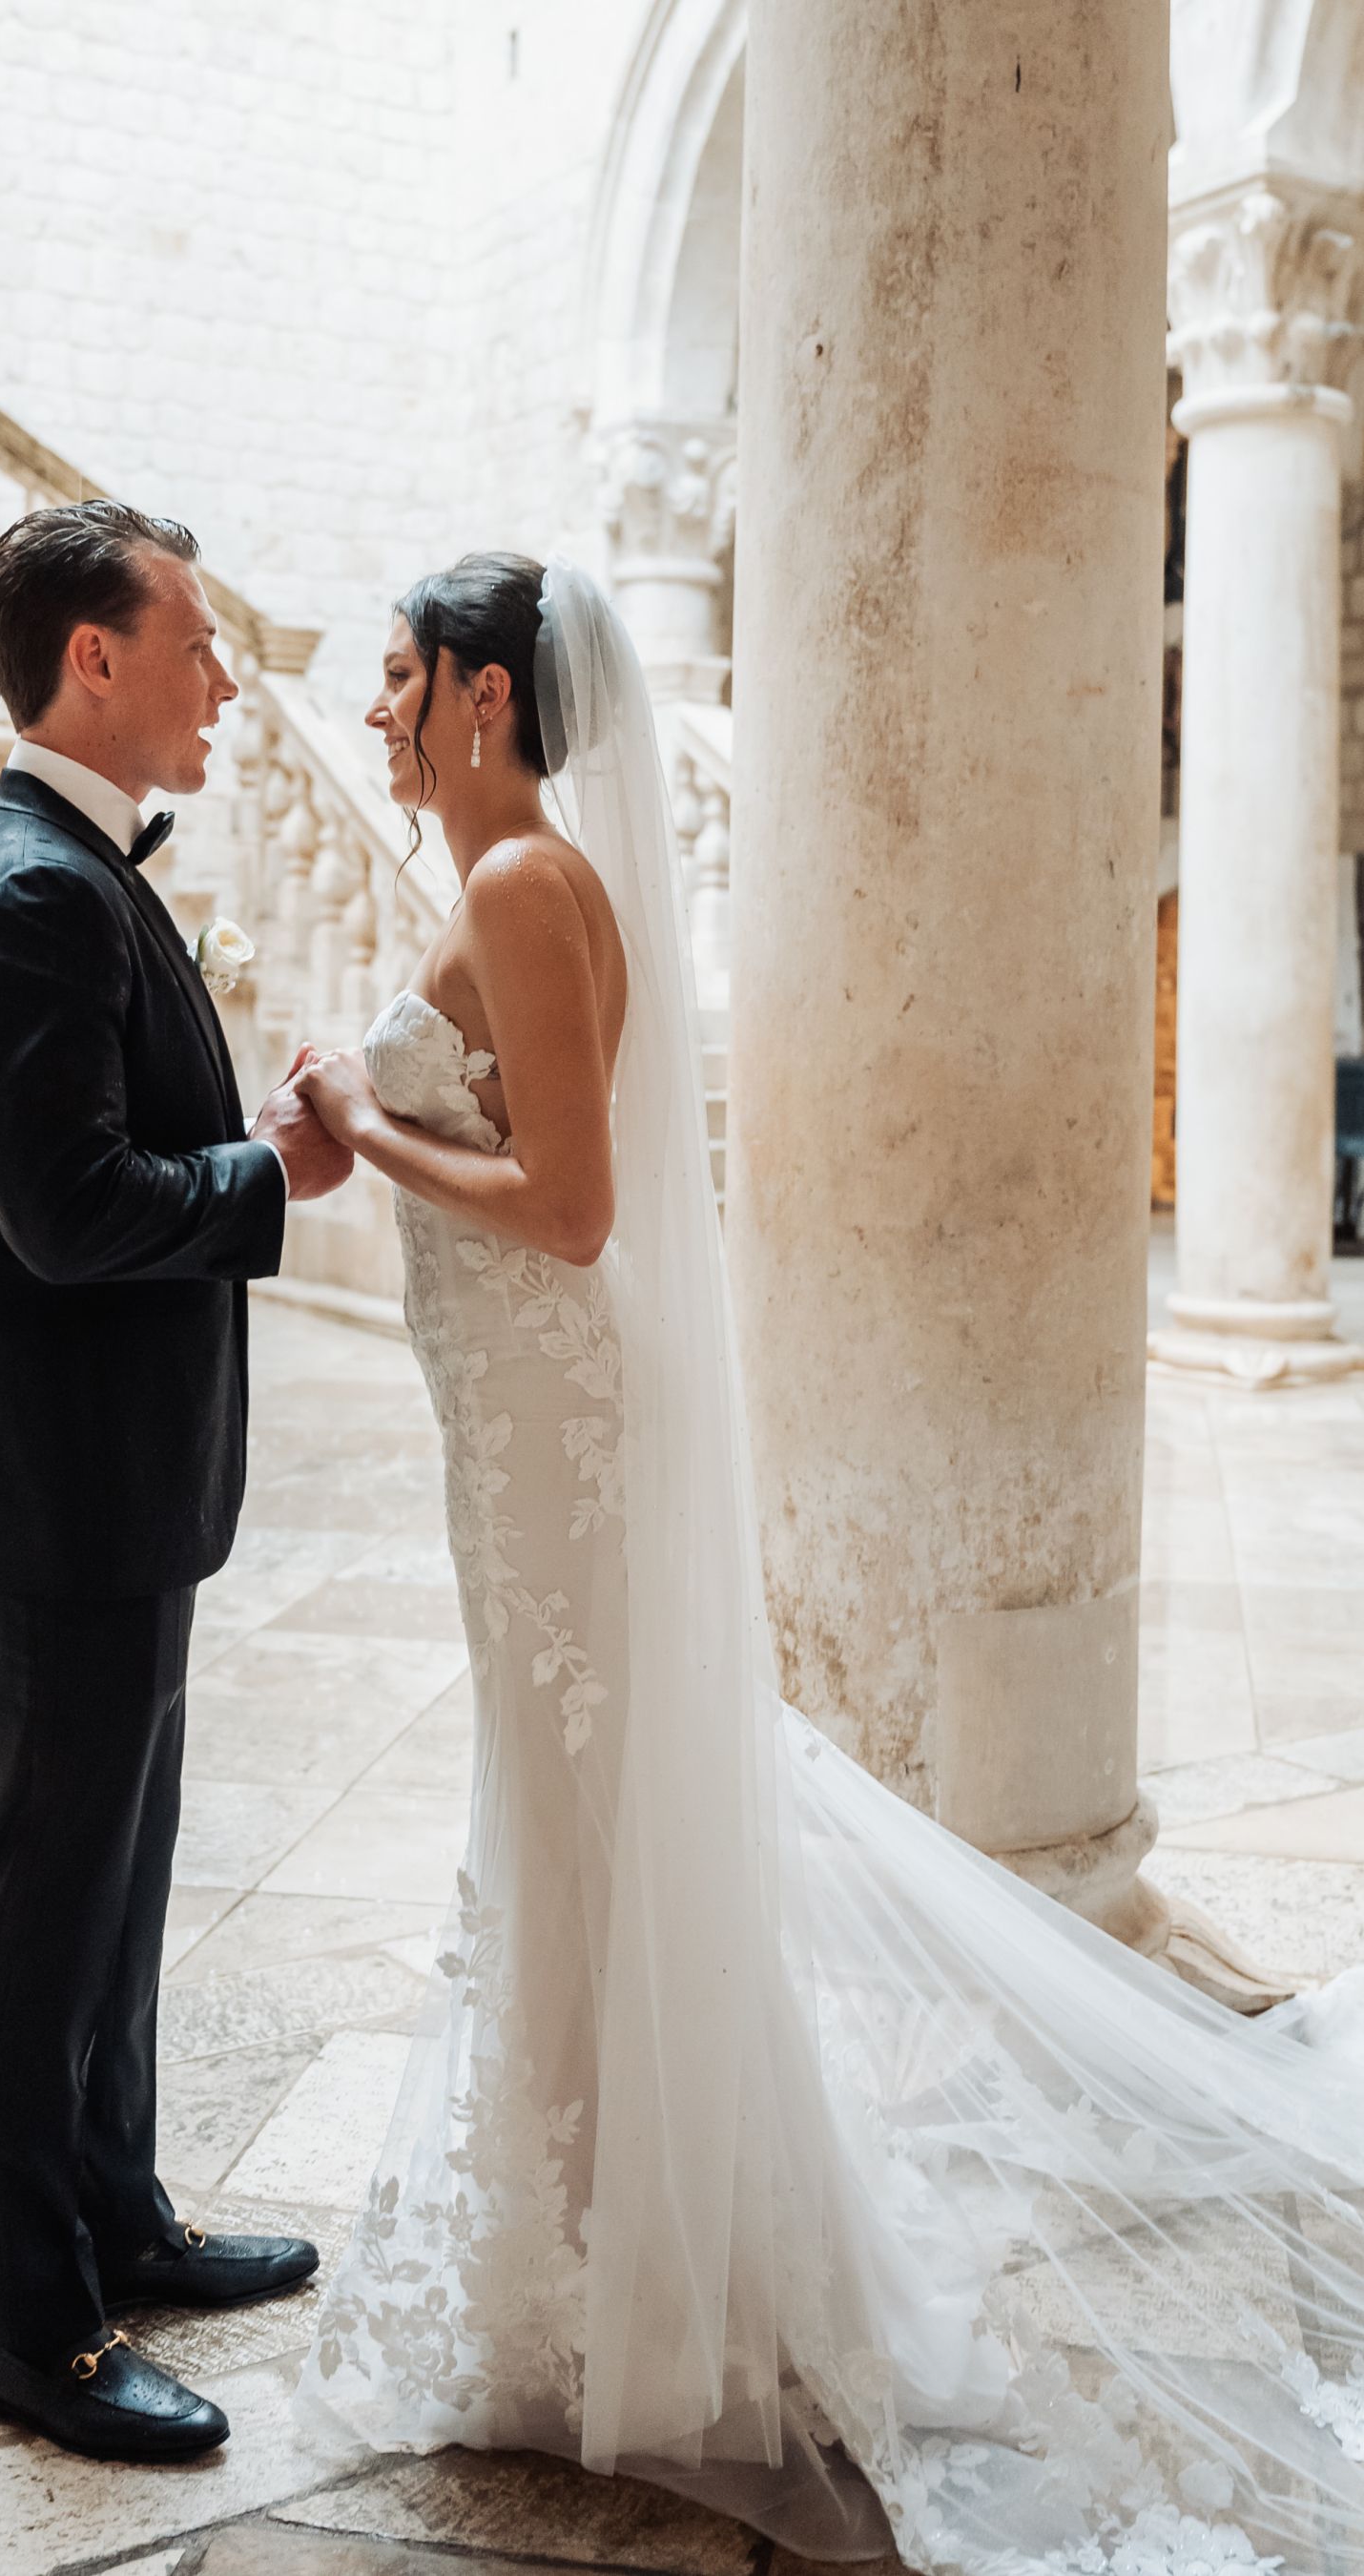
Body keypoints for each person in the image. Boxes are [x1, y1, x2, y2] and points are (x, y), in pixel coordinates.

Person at [288, 551, 1364, 2574]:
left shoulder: (528, 884)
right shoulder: (521, 878)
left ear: (488, 703)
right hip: (517, 1449)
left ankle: (638, 2289)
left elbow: (574, 1206)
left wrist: (362, 1113)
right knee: (580, 1830)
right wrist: (376, 1129)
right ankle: (615, 2258)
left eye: (401, 678)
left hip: (552, 1452)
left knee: (589, 1824)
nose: (378, 714)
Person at [0, 500, 351, 2462]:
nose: (225, 680)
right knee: (44, 1904)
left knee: (120, 1884)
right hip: (52, 1496)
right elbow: (70, 1220)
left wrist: (230, 1145)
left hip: (114, 1486)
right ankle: (34, 2323)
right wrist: (270, 1179)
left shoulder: (78, 876)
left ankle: (122, 2211)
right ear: (98, 660)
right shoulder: (28, 897)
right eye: (196, 642)